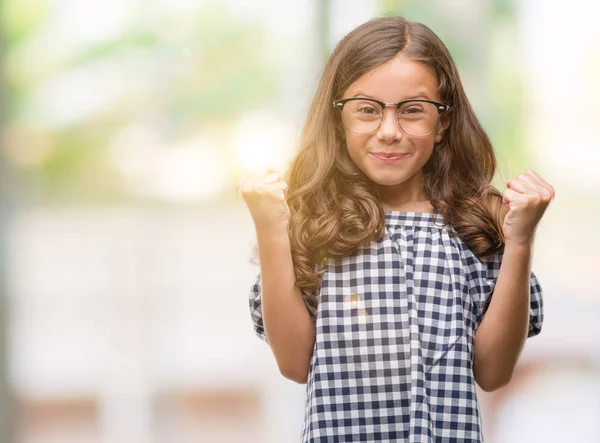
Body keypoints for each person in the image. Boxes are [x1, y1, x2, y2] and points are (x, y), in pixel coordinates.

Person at [236, 16, 553, 442]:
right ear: (338, 118)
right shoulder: (314, 223)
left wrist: (520, 241)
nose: (389, 132)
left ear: (442, 122)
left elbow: (493, 373)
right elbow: (294, 363)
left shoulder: (477, 223)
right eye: (367, 109)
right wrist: (271, 229)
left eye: (412, 111)